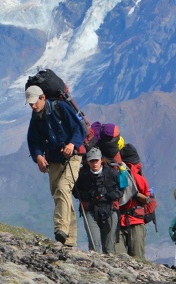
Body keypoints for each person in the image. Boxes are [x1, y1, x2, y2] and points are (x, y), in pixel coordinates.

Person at [25, 85, 86, 247]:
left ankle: (60, 228)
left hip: (72, 157)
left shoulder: (61, 108)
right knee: (59, 196)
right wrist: (38, 156)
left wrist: (72, 144)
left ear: (43, 97)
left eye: (34, 102)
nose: (33, 106)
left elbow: (78, 129)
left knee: (63, 189)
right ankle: (70, 241)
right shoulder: (36, 118)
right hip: (53, 159)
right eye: (30, 104)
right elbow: (33, 141)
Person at [72, 147, 126, 254]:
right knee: (94, 245)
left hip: (110, 209)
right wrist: (89, 195)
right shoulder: (83, 176)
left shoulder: (112, 173)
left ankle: (110, 264)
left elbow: (121, 189)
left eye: (96, 160)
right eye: (91, 161)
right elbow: (76, 192)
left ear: (101, 160)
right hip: (90, 210)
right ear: (88, 161)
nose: (94, 163)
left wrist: (108, 195)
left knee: (109, 246)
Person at [116, 149, 154, 261]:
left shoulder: (115, 173)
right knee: (138, 259)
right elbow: (146, 196)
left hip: (119, 220)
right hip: (135, 220)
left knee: (119, 259)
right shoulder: (139, 178)